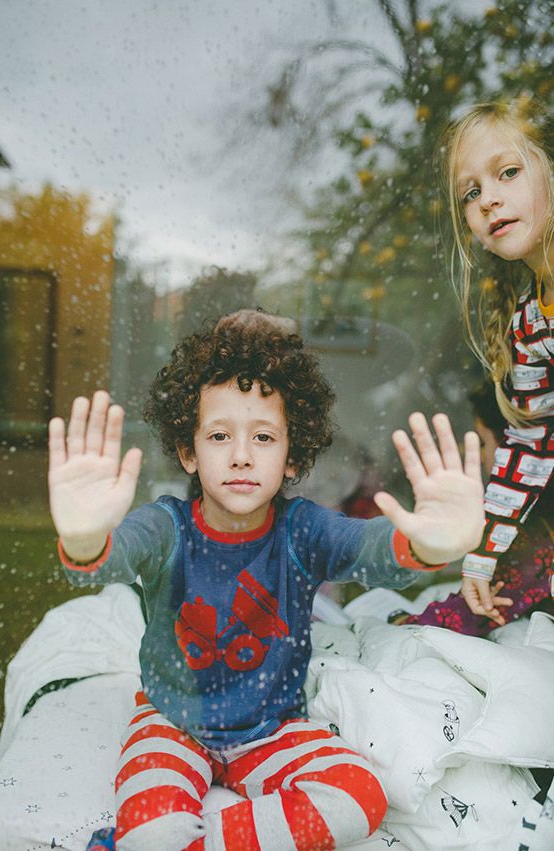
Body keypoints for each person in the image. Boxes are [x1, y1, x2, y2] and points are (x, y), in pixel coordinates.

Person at [48, 310, 484, 851]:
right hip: (171, 722)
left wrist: (430, 545)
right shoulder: (167, 527)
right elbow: (112, 558)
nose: (240, 455)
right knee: (153, 829)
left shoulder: (304, 530)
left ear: (293, 456)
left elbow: (370, 550)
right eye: (219, 435)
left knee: (359, 795)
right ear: (188, 451)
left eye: (263, 437)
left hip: (271, 728)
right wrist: (87, 536)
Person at [440, 98, 554, 626]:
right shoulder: (531, 322)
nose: (488, 200)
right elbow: (533, 439)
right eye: (471, 192)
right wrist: (483, 552)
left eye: (507, 172)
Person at [398, 380, 553, 635]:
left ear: (514, 444)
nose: (481, 457)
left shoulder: (537, 531)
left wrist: (398, 621)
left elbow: (469, 615)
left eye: (483, 442)